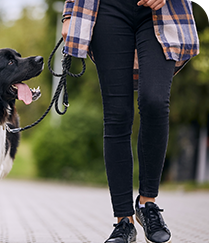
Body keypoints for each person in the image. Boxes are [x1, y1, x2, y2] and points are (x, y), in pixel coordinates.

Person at [61, 0, 199, 242]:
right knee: (117, 115)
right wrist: (69, 12)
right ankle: (123, 220)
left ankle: (148, 204)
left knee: (155, 101)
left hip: (161, 10)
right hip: (107, 9)